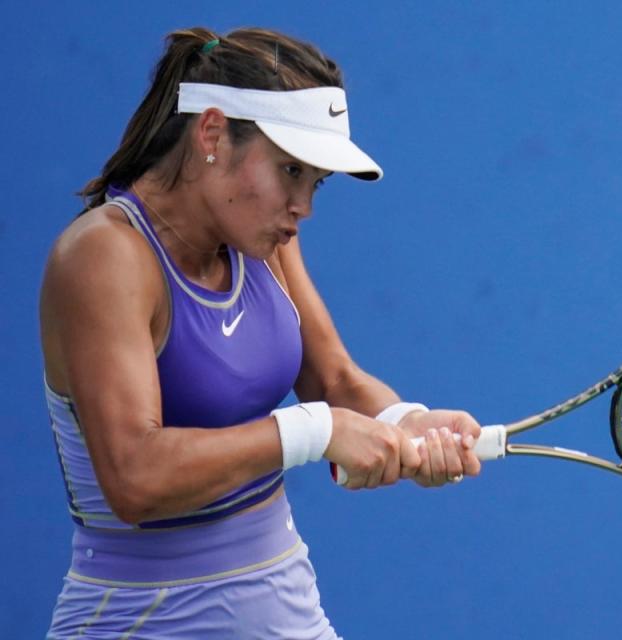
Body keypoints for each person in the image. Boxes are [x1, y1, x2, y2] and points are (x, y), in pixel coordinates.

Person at [40, 27, 482, 639]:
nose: (303, 208)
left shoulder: (263, 237)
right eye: (290, 170)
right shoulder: (104, 257)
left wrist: (405, 420)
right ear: (213, 133)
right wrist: (316, 432)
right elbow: (134, 477)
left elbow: (332, 378)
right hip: (142, 622)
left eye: (316, 182)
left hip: (284, 608)